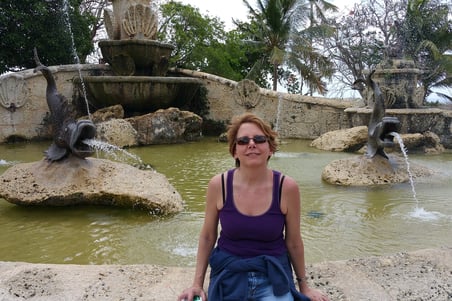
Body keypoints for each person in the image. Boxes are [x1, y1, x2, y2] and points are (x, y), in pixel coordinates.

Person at [178, 113, 329, 301]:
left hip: (272, 277)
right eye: (243, 141)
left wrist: (304, 286)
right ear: (234, 151)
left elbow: (294, 242)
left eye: (259, 139)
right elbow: (208, 236)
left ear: (270, 148)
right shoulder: (219, 185)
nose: (251, 144)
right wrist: (197, 284)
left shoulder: (287, 188)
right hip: (229, 275)